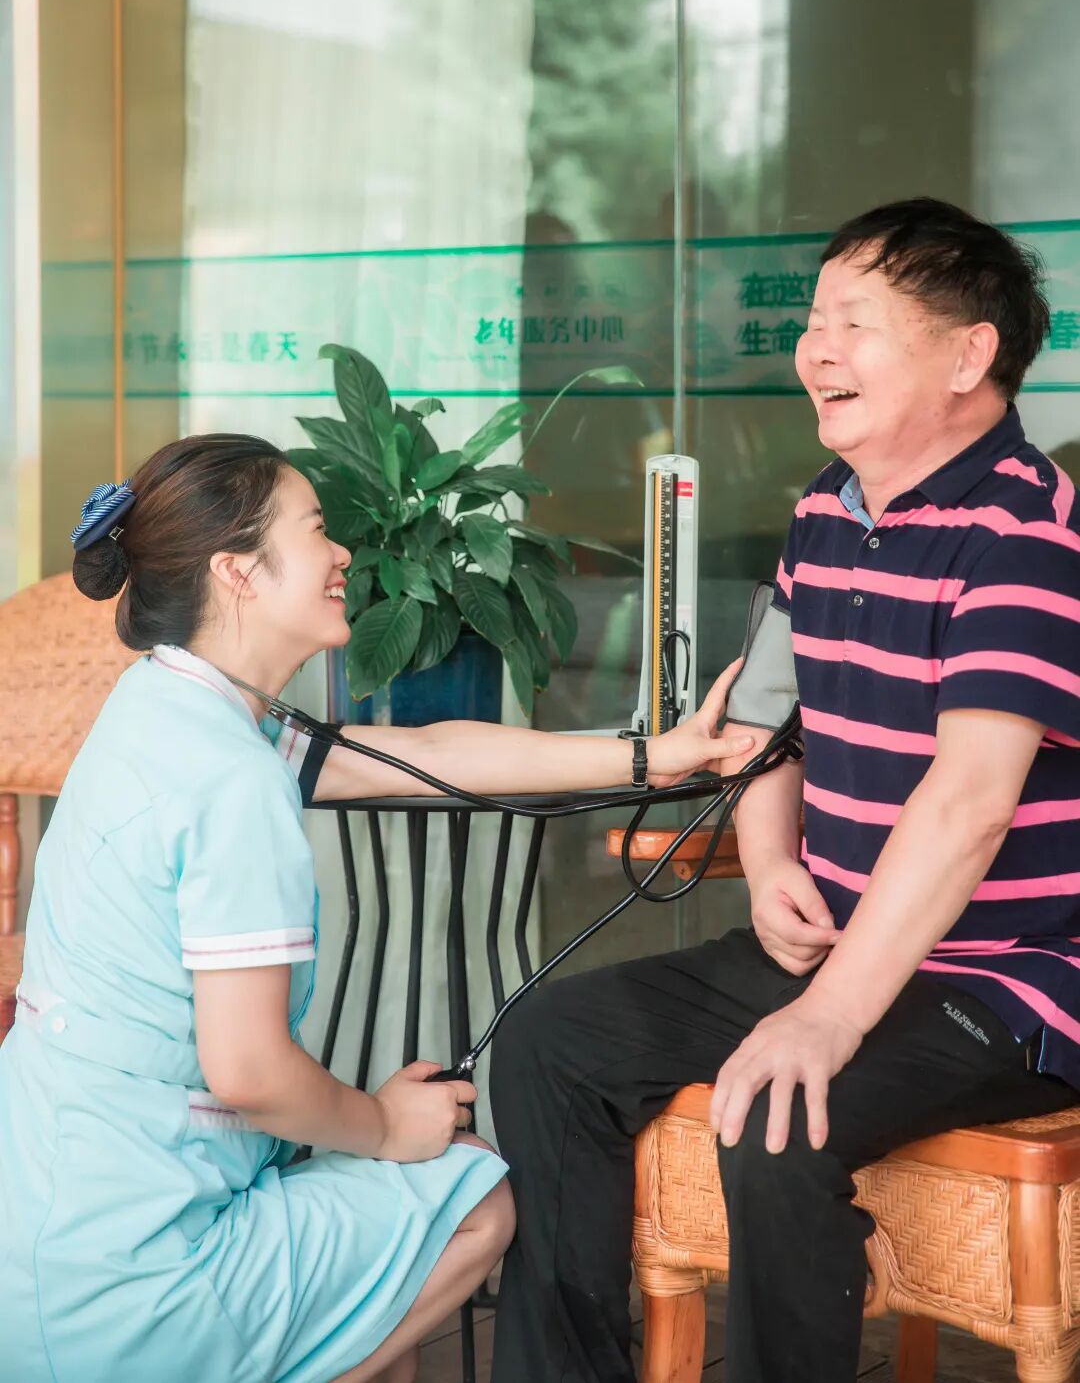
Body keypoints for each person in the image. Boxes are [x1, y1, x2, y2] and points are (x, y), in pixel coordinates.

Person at [0, 434, 755, 1383]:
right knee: (471, 1200)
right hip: (140, 1285)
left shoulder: (164, 706)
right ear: (237, 572)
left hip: (41, 1244)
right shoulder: (227, 778)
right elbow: (249, 1071)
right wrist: (387, 1124)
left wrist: (652, 757)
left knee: (378, 1288)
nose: (342, 553)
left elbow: (426, 757)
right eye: (315, 529)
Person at [489, 197, 1080, 1383]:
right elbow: (764, 724)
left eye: (855, 323)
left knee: (776, 1115)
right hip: (843, 948)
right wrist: (768, 870)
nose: (817, 350)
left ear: (970, 354)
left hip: (1005, 977)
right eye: (815, 322)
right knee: (550, 1041)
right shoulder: (825, 511)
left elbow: (970, 803)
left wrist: (828, 1016)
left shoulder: (1027, 531)